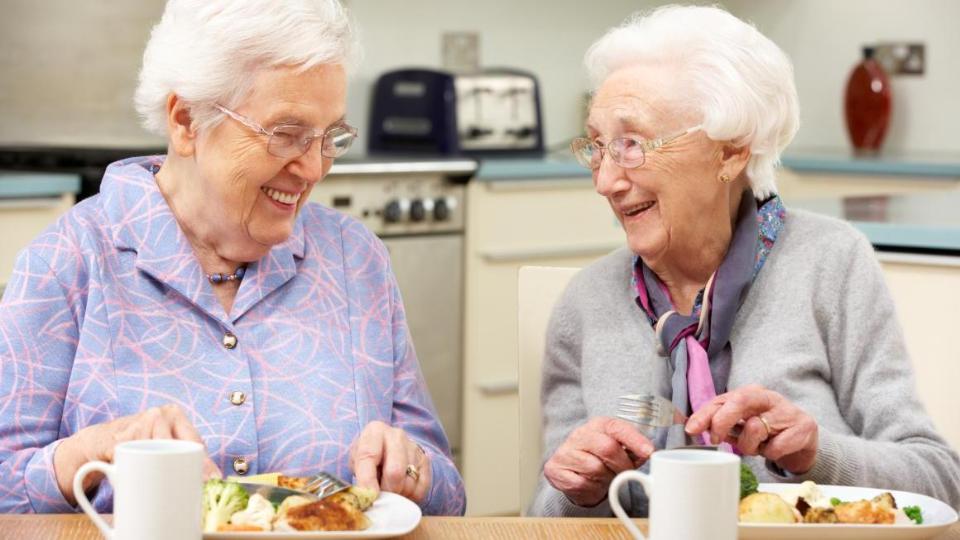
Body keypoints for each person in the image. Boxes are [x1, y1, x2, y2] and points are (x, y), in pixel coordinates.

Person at [0, 0, 464, 516]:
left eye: (330, 136)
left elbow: (448, 493)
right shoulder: (67, 261)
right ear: (186, 121)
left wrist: (412, 466)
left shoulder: (357, 261)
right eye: (286, 134)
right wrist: (82, 456)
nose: (313, 168)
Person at [530, 4, 960, 517]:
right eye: (598, 147)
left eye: (632, 144)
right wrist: (579, 488)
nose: (605, 181)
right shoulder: (586, 303)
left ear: (731, 152)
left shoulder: (830, 264)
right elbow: (544, 515)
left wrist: (816, 454)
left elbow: (940, 481)